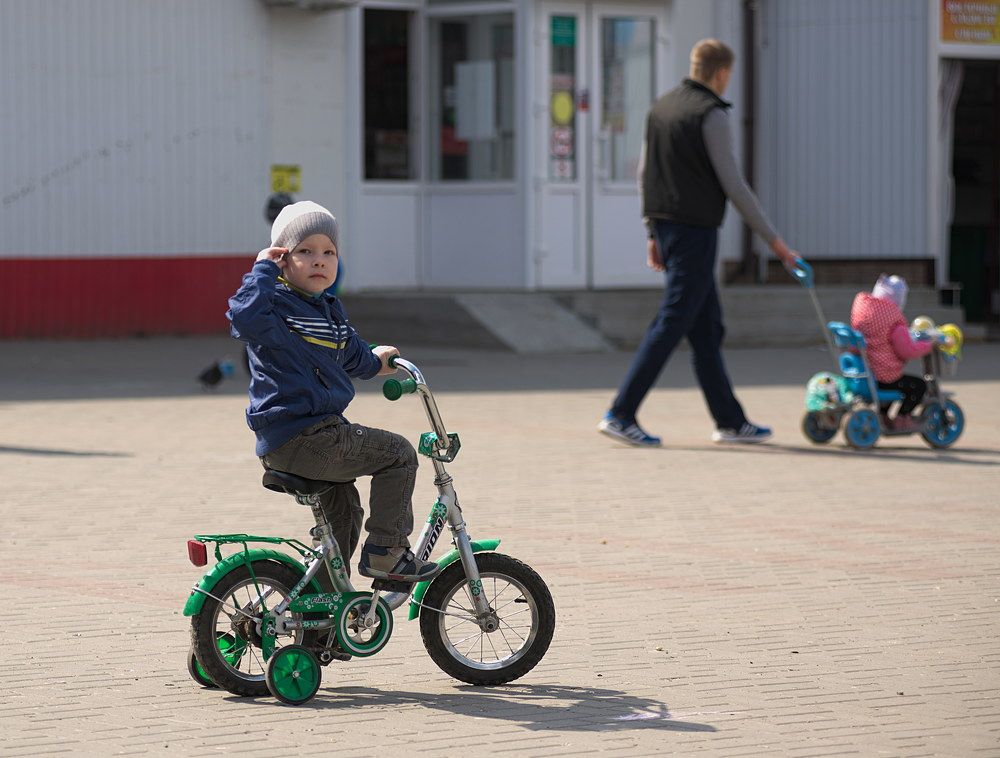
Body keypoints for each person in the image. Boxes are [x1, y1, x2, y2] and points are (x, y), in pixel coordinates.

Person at [598, 38, 801, 447]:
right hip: (695, 233)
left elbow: (644, 175)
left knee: (706, 328)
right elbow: (736, 187)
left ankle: (730, 421)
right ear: (722, 73)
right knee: (672, 321)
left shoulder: (661, 109)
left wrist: (651, 231)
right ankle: (621, 413)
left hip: (669, 230)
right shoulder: (712, 115)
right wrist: (777, 244)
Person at [227, 200, 440, 586]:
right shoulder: (273, 306)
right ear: (282, 259)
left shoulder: (328, 310)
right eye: (305, 251)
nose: (319, 261)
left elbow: (353, 356)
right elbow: (243, 316)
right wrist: (261, 269)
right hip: (304, 436)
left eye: (329, 252)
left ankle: (321, 613)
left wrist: (379, 360)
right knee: (399, 454)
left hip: (313, 437)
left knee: (345, 513)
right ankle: (387, 552)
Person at [849, 274, 933, 432]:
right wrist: (928, 345)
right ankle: (902, 419)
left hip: (867, 372)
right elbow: (907, 351)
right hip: (882, 377)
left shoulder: (865, 314)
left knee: (895, 383)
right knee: (917, 386)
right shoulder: (894, 322)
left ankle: (883, 416)